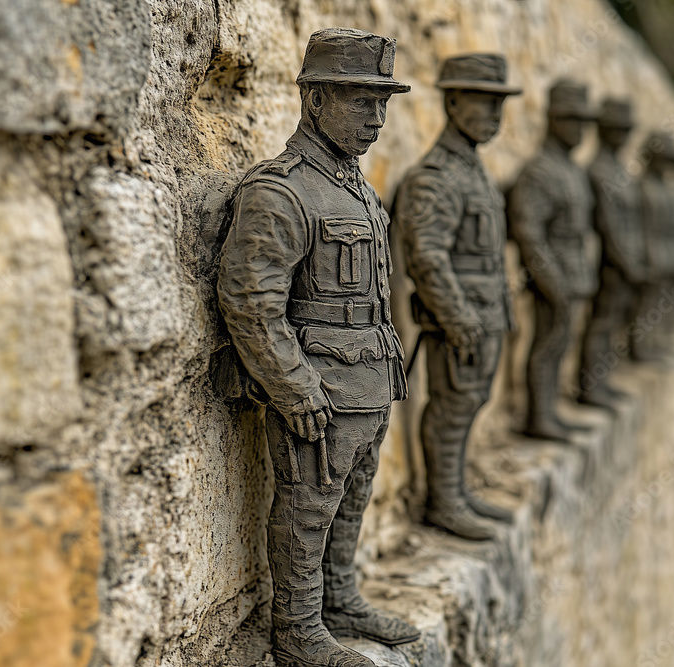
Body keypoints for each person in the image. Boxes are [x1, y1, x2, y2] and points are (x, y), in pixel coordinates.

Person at [217, 28, 418, 667]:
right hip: (322, 388)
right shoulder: (280, 190)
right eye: (360, 101)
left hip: (368, 378)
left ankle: (339, 600)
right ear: (315, 102)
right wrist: (294, 385)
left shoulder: (354, 184)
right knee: (308, 507)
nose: (377, 119)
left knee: (353, 497)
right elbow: (251, 301)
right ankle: (298, 633)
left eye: (381, 102)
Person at [393, 54, 521, 540]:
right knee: (451, 406)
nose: (494, 115)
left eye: (499, 105)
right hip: (462, 318)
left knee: (470, 401)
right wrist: (457, 315)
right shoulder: (437, 175)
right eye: (483, 103)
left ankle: (456, 489)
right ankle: (442, 502)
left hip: (486, 312)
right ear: (451, 101)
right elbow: (426, 257)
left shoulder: (471, 169)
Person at [507, 80, 600, 441]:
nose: (581, 129)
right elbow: (529, 233)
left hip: (575, 273)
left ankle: (550, 411)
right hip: (555, 276)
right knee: (547, 345)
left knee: (561, 343)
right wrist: (551, 280)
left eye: (584, 121)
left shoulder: (572, 170)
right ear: (552, 119)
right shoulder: (540, 171)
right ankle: (538, 416)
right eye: (573, 120)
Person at [578, 99, 647, 409]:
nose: (623, 136)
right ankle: (590, 384)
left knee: (613, 321)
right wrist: (626, 262)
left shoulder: (618, 170)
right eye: (617, 130)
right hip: (610, 264)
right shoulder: (600, 171)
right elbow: (609, 225)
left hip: (625, 262)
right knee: (602, 322)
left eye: (626, 131)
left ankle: (602, 380)